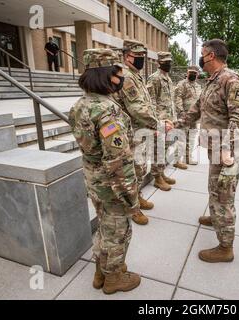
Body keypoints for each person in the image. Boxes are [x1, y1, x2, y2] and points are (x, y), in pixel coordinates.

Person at [69, 48, 141, 295]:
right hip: (112, 182)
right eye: (118, 73)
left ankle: (100, 271)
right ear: (106, 75)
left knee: (104, 225)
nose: (121, 78)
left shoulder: (80, 105)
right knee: (118, 230)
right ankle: (114, 278)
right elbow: (118, 159)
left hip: (93, 177)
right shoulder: (107, 110)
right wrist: (131, 196)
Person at [177, 39, 239, 263]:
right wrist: (177, 123)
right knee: (214, 187)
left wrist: (228, 149)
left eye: (202, 54)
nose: (200, 60)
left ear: (211, 56)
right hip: (214, 147)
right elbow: (196, 108)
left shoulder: (230, 80)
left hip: (226, 151)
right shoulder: (211, 81)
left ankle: (225, 247)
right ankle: (215, 216)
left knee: (224, 197)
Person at [116, 40, 173, 224]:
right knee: (132, 171)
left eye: (142, 56)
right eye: (137, 56)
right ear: (126, 56)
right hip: (131, 132)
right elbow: (136, 108)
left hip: (139, 129)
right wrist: (157, 124)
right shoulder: (126, 76)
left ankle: (137, 197)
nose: (140, 59)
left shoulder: (135, 75)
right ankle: (132, 208)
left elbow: (145, 104)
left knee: (139, 169)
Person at [174, 66, 202, 165]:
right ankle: (177, 160)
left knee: (192, 137)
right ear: (187, 72)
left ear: (198, 74)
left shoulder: (198, 86)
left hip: (194, 117)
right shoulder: (181, 84)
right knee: (182, 137)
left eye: (195, 73)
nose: (193, 75)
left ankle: (188, 158)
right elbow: (178, 98)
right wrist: (181, 112)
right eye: (191, 72)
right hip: (184, 115)